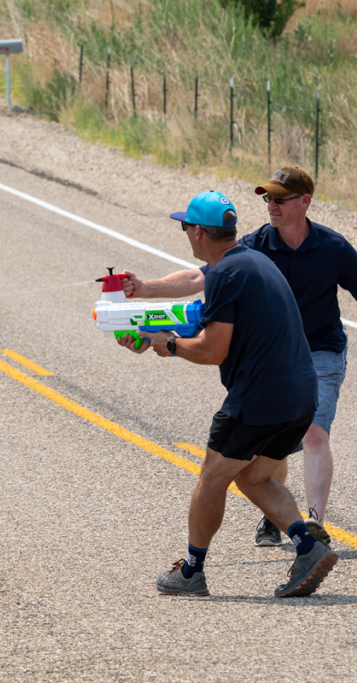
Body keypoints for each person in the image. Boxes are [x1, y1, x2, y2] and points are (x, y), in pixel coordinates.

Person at [121, 167, 357, 547]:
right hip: (273, 355)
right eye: (267, 199)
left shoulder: (333, 248)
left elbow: (214, 347)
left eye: (279, 198)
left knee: (311, 431)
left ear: (304, 202)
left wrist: (171, 343)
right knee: (272, 441)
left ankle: (313, 523)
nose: (271, 206)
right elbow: (201, 277)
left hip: (319, 349)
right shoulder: (255, 245)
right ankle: (283, 518)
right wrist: (146, 289)